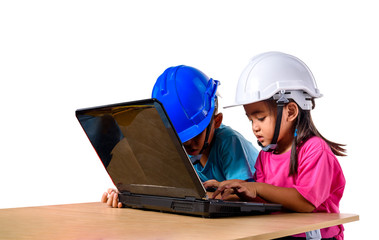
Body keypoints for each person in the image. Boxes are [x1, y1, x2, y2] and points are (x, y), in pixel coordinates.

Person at [207, 52, 346, 240]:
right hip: (278, 233)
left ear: (290, 111)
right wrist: (238, 192)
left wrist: (257, 188)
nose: (255, 127)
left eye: (261, 118)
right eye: (251, 119)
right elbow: (266, 200)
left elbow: (305, 203)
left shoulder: (315, 150)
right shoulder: (267, 154)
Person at [102, 65, 259, 208]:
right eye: (181, 138)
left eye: (195, 135)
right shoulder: (175, 148)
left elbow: (242, 197)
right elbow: (162, 187)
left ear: (216, 122)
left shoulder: (229, 142)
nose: (188, 142)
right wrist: (128, 193)